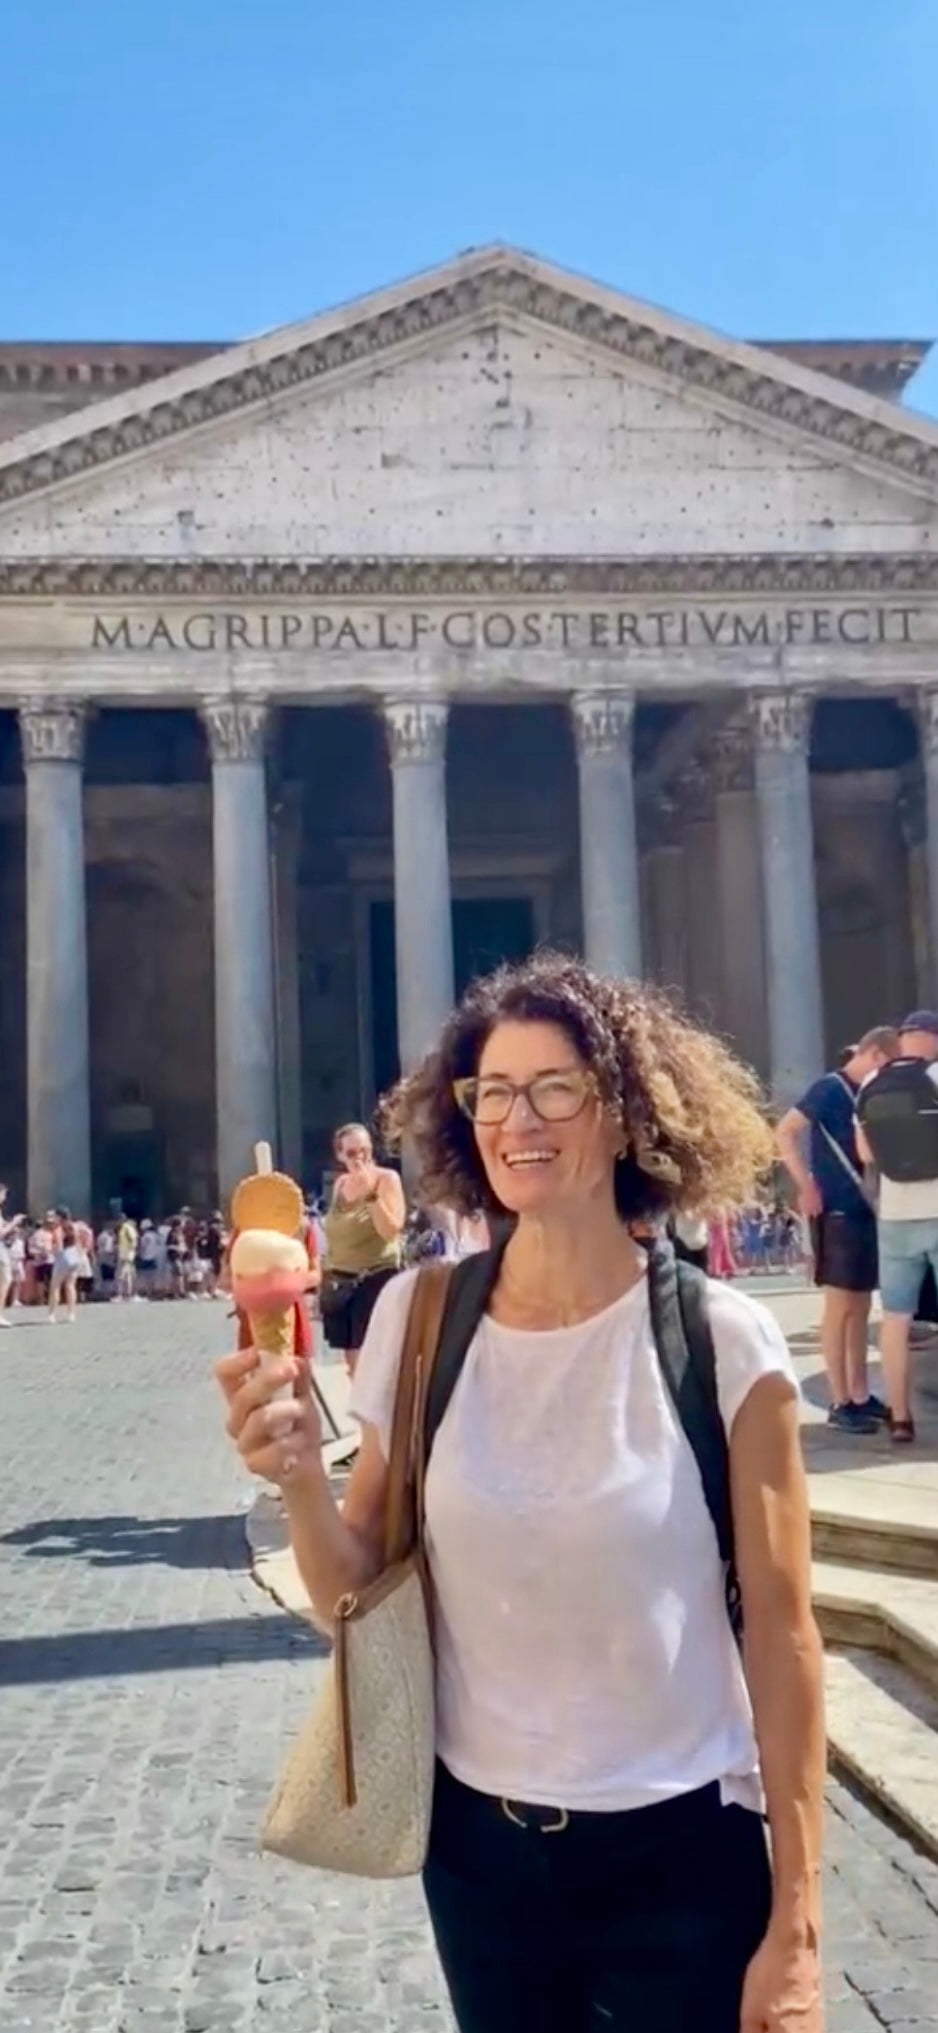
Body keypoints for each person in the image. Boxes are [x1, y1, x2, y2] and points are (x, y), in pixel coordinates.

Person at [218, 955, 824, 2033]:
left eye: (554, 1086)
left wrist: (797, 1923)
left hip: (678, 1852)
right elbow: (350, 1593)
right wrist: (302, 1479)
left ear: (626, 1113)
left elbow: (780, 1638)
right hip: (480, 1857)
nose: (516, 1118)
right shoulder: (416, 1320)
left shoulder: (723, 1341)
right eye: (491, 1091)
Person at [777, 1026, 899, 1432]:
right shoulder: (829, 1088)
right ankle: (839, 1398)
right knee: (839, 1306)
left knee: (861, 1306)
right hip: (837, 1209)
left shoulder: (863, 1093)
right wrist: (805, 1183)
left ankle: (860, 1393)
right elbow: (786, 1131)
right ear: (877, 1055)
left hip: (864, 1207)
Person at [856, 1009, 938, 1443]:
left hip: (895, 1215)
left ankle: (901, 1417)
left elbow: (866, 1155)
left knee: (895, 1320)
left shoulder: (872, 1084)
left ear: (904, 1039)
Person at [320, 1122, 406, 1374]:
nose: (359, 1159)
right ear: (340, 1156)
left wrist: (370, 1194)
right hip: (341, 1281)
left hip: (374, 1277)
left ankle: (375, 1411)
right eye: (351, 1153)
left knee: (370, 1359)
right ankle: (361, 1410)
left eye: (364, 1151)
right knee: (351, 1360)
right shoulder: (340, 1185)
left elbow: (391, 1229)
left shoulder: (386, 1179)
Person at [48, 1210, 80, 1323]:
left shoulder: (58, 1229)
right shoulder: (74, 1226)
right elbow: (77, 1242)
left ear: (59, 1216)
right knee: (71, 1286)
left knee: (55, 1286)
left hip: (63, 1257)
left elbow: (59, 1247)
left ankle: (52, 1314)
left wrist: (52, 1250)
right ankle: (71, 1314)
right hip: (74, 1256)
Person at [116, 1212, 139, 1300]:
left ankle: (121, 1294)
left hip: (126, 1255)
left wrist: (131, 1252)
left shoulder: (126, 1228)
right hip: (124, 1254)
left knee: (121, 1275)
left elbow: (133, 1240)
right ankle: (128, 1294)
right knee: (128, 1275)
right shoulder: (123, 1228)